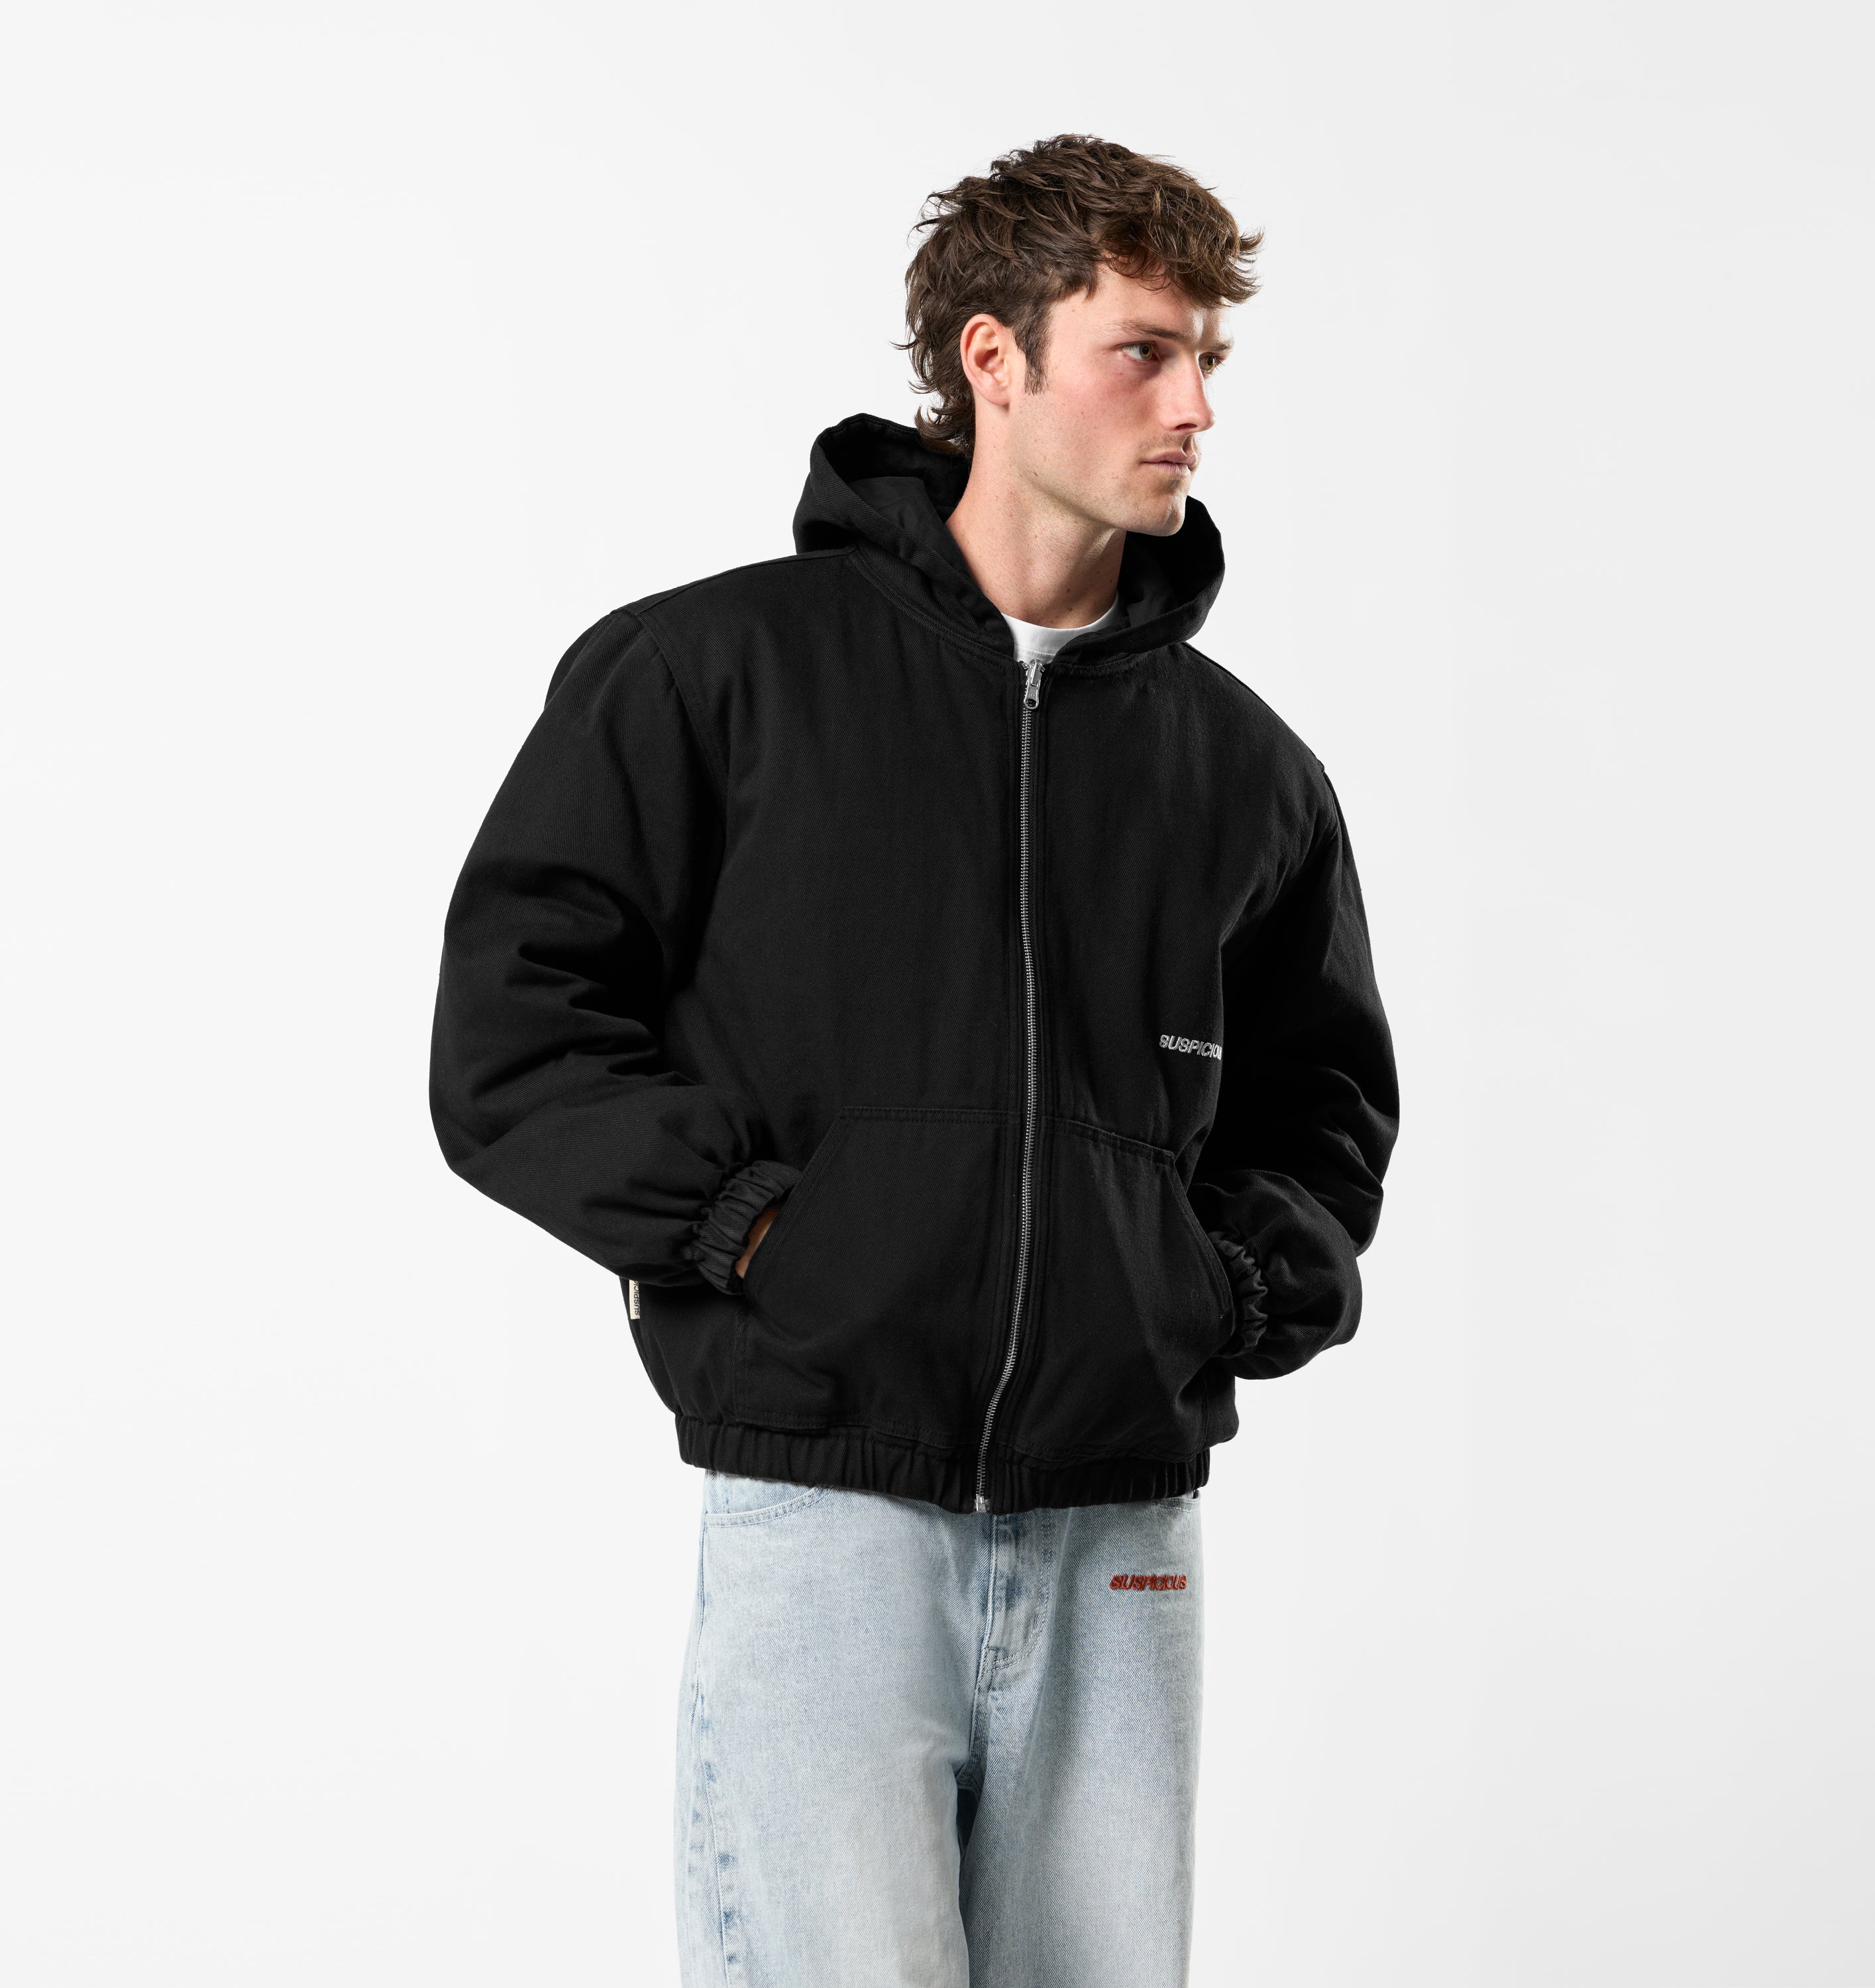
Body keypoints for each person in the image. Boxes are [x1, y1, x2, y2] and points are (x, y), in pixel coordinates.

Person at [429, 133, 1398, 1988]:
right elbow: (516, 1032)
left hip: (1123, 1519)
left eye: (1210, 359)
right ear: (992, 359)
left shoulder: (1242, 767)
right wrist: (757, 1233)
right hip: (827, 1506)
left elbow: (1325, 1107)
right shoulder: (714, 675)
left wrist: (1210, 1288)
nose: (1195, 407)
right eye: (1144, 352)